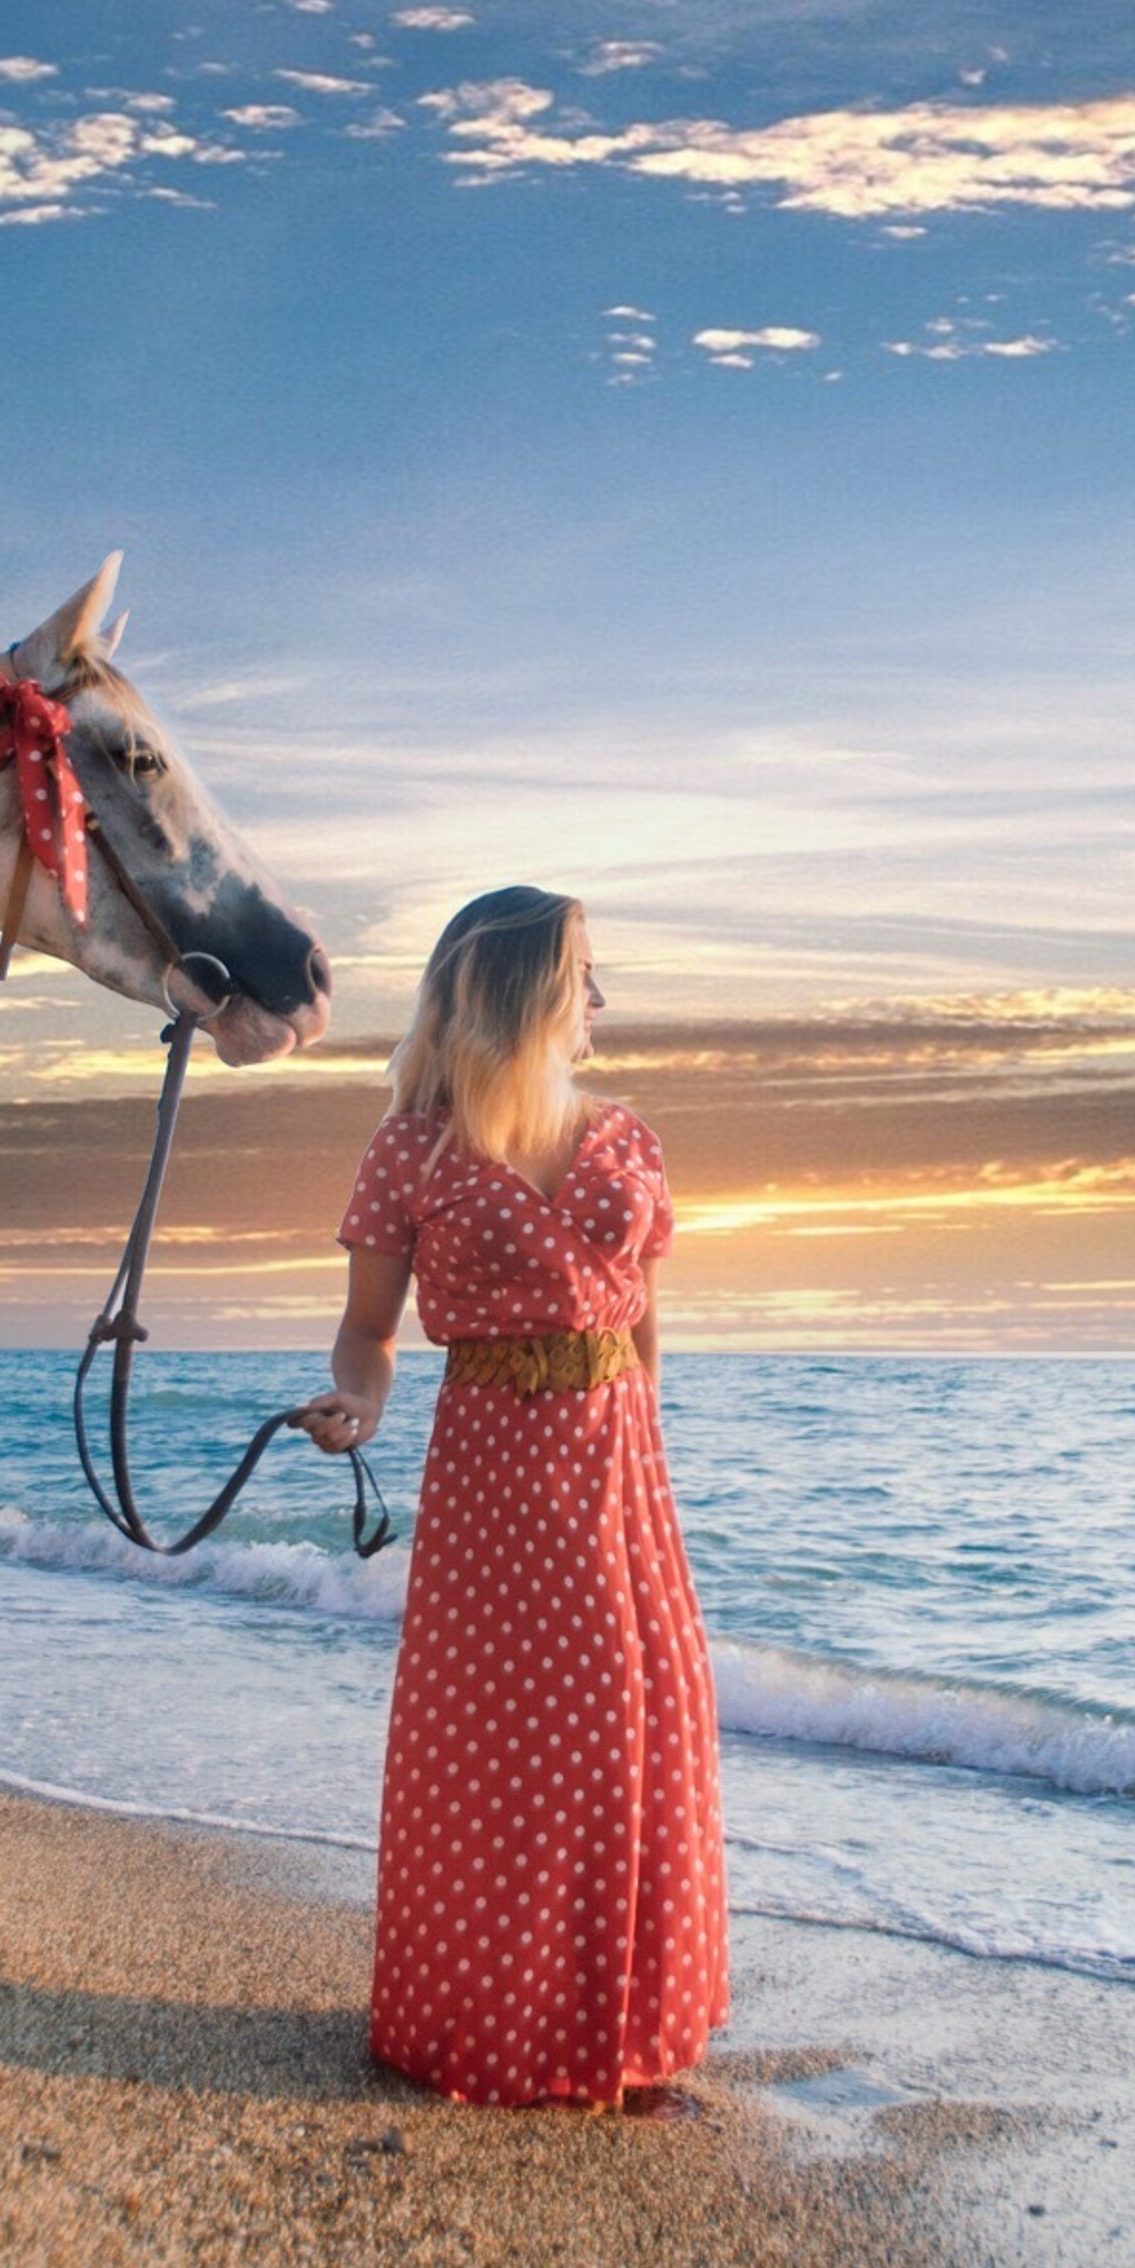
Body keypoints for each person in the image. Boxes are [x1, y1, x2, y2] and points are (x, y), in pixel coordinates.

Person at [293, 886, 728, 2113]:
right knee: (500, 1747)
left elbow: (644, 1324)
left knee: (635, 1730)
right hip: (493, 1471)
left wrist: (646, 1466)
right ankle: (490, 2023)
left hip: (617, 1468)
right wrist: (358, 1405)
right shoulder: (410, 1149)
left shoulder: (627, 1137)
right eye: (582, 974)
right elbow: (369, 1330)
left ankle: (619, 2033)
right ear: (524, 990)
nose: (599, 998)